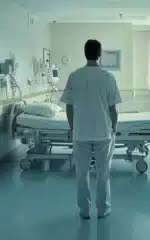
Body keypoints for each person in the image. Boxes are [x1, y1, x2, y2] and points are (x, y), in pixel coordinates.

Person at [60, 39, 122, 219]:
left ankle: (84, 211)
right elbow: (113, 109)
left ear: (85, 53)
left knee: (82, 174)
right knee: (103, 175)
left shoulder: (74, 76)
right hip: (103, 133)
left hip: (81, 134)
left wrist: (73, 128)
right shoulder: (108, 77)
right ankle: (103, 210)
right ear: (99, 54)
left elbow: (69, 107)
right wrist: (113, 129)